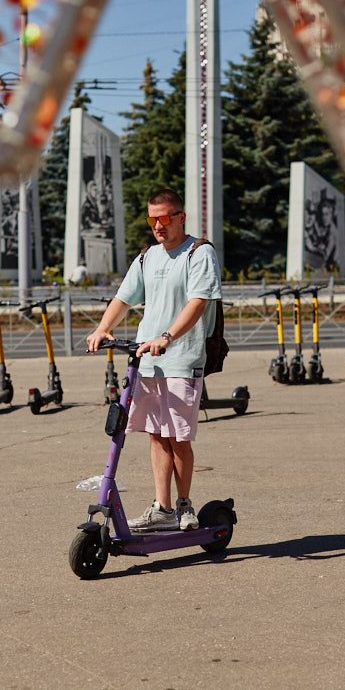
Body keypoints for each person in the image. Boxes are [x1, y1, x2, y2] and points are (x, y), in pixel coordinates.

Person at [86, 189, 222, 532]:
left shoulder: (198, 252)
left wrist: (168, 336)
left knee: (178, 437)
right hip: (148, 360)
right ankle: (162, 508)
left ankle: (184, 505)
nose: (158, 226)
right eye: (152, 220)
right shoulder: (148, 257)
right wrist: (102, 328)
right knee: (156, 434)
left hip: (182, 357)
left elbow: (198, 303)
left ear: (180, 217)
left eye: (164, 218)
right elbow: (124, 298)